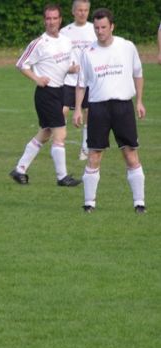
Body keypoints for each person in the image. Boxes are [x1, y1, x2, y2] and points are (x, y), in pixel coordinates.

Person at [74, 8, 147, 214]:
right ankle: (89, 203)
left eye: (104, 27)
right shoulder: (87, 52)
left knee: (130, 154)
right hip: (98, 108)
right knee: (94, 155)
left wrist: (139, 101)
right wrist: (78, 109)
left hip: (123, 107)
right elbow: (81, 84)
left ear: (112, 26)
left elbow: (138, 74)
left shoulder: (127, 47)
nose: (100, 31)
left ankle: (139, 203)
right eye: (96, 28)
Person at [9, 4, 81, 187]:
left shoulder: (66, 41)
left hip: (60, 91)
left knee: (45, 133)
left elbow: (61, 65)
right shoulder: (39, 43)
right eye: (48, 18)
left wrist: (71, 69)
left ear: (60, 20)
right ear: (44, 21)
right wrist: (37, 78)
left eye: (55, 18)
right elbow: (21, 64)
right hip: (46, 94)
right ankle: (62, 177)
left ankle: (20, 170)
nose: (51, 22)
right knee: (60, 133)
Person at [60, 0, 96, 161]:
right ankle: (59, 143)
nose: (82, 13)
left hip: (88, 80)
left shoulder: (94, 29)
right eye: (79, 10)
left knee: (88, 112)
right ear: (73, 11)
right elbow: (59, 55)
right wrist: (68, 68)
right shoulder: (65, 32)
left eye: (85, 10)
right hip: (69, 79)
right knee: (63, 111)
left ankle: (85, 147)